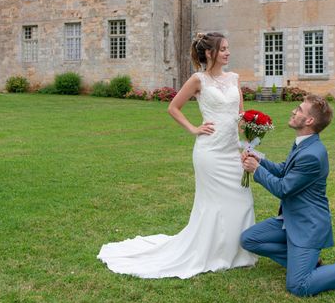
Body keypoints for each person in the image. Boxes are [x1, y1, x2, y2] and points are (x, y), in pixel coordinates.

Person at [97, 32, 257, 278]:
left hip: (231, 150)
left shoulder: (234, 79)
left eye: (228, 48)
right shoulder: (198, 79)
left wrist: (248, 144)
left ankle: (238, 251)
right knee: (213, 204)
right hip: (210, 152)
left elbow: (241, 117)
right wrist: (194, 128)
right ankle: (212, 252)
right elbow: (173, 107)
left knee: (241, 198)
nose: (227, 53)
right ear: (209, 53)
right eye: (223, 49)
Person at [240, 95, 335, 297]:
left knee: (298, 286)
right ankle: (304, 261)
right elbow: (284, 170)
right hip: (290, 219)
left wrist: (257, 170)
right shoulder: (304, 144)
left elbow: (283, 188)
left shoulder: (312, 154)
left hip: (307, 225)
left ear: (309, 121)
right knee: (249, 239)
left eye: (299, 109)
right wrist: (258, 158)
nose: (294, 111)